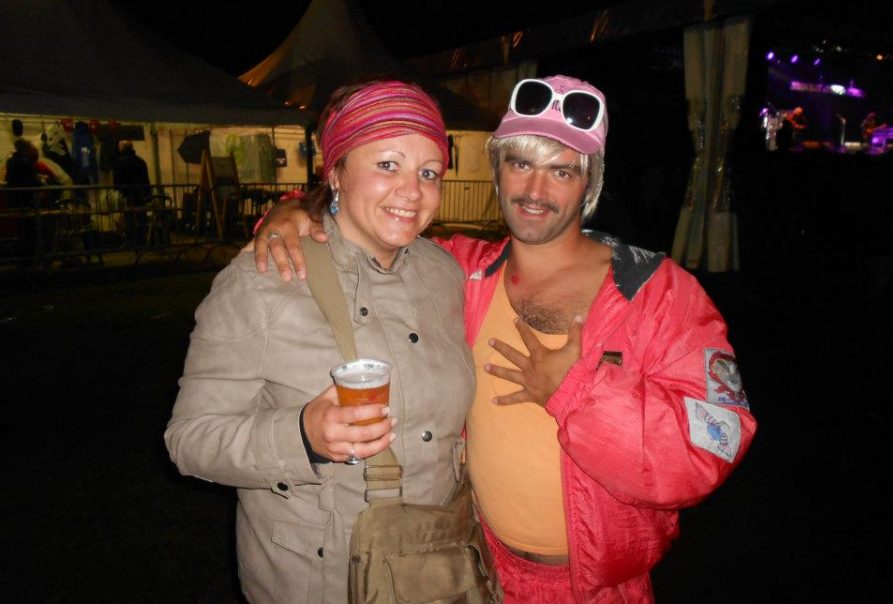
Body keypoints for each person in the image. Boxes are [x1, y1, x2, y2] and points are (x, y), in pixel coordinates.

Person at [253, 74, 758, 602]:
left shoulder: (659, 293)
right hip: (480, 572)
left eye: (561, 170)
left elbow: (713, 446)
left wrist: (577, 393)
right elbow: (363, 227)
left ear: (590, 182)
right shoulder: (456, 272)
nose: (535, 191)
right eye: (520, 164)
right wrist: (295, 211)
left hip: (598, 589)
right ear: (497, 172)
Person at [164, 79, 474, 603]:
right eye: (387, 165)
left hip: (435, 571)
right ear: (336, 171)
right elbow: (189, 439)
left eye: (429, 173)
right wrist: (301, 436)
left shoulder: (444, 274)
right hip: (319, 582)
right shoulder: (263, 281)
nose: (412, 191)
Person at [112, 140, 151, 245]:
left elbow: (117, 181)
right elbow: (146, 180)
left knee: (129, 218)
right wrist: (148, 195)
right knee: (142, 218)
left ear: (123, 148)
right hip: (141, 194)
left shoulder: (119, 162)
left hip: (127, 194)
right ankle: (142, 240)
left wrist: (117, 190)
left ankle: (131, 241)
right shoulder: (141, 161)